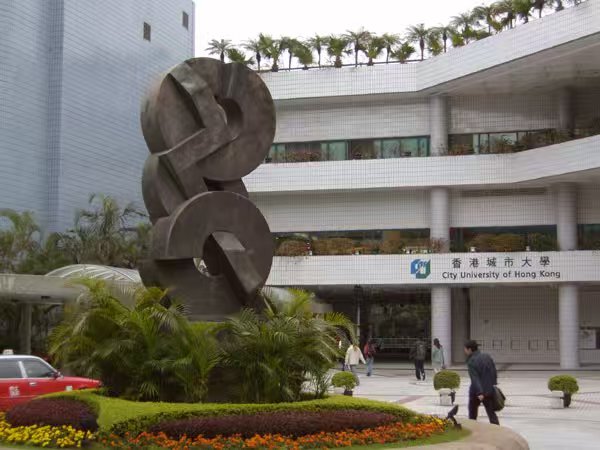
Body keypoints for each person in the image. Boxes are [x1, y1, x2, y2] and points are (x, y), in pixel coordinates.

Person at [464, 340, 500, 425]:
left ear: (469, 349)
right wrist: (492, 384)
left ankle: (472, 427)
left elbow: (475, 378)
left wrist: (480, 392)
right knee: (491, 413)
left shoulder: (471, 361)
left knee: (472, 413)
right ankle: (497, 429)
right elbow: (493, 372)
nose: (464, 351)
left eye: (465, 349)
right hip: (489, 389)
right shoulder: (487, 356)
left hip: (477, 391)